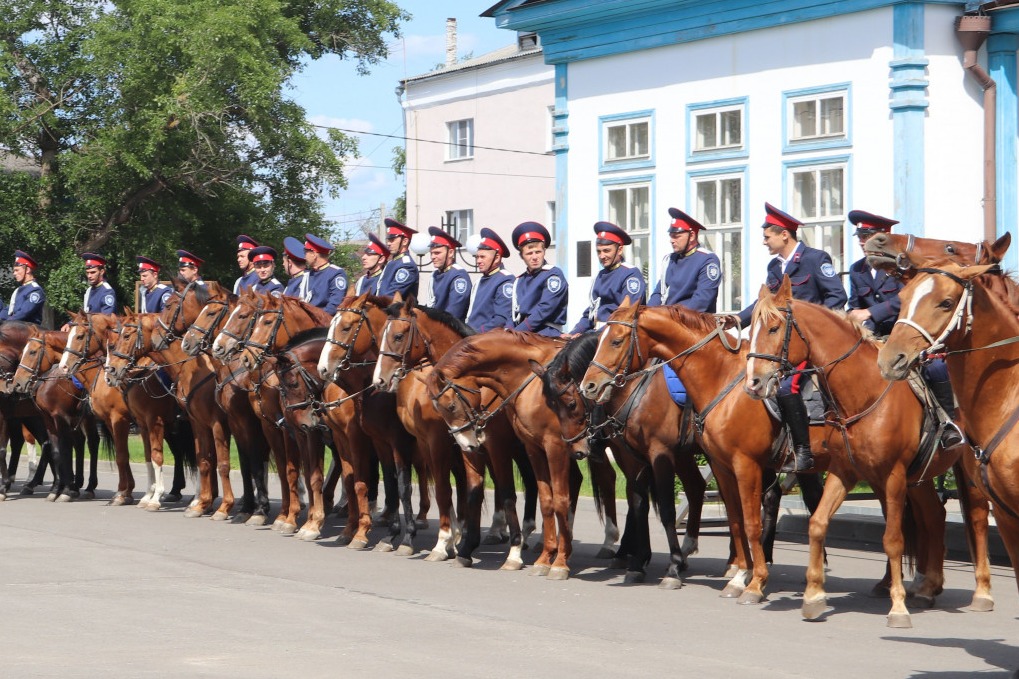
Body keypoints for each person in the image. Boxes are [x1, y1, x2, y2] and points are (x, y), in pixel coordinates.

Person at [738, 203, 848, 472]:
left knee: (787, 387)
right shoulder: (775, 267)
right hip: (783, 344)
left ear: (784, 234)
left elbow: (837, 297)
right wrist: (736, 320)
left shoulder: (815, 259)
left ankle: (803, 451)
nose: (764, 242)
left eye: (767, 237)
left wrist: (811, 321)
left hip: (810, 344)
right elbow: (767, 303)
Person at [846, 209, 963, 449]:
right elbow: (855, 305)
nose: (860, 240)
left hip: (910, 335)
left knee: (937, 368)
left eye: (866, 235)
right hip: (875, 338)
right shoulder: (857, 269)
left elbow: (912, 299)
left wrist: (872, 312)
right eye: (858, 235)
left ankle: (948, 424)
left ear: (883, 236)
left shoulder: (904, 266)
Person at [566, 221, 646, 337]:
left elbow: (626, 314)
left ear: (619, 250)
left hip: (618, 337)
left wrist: (589, 337)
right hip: (597, 334)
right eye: (599, 251)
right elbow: (591, 313)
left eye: (606, 251)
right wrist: (574, 332)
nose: (602, 256)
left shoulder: (631, 275)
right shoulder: (600, 276)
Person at [648, 208, 721, 312]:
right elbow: (659, 293)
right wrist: (648, 313)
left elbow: (701, 301)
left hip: (695, 323)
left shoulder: (707, 260)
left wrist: (669, 318)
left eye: (676, 236)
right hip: (668, 320)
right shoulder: (669, 260)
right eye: (671, 236)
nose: (671, 241)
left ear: (691, 236)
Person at [510, 221, 568, 336]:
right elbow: (512, 313)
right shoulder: (520, 280)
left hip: (546, 333)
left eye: (538, 252)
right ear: (522, 256)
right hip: (522, 333)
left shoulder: (553, 275)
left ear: (544, 252)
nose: (535, 257)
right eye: (529, 253)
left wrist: (515, 332)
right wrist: (506, 331)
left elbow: (544, 310)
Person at [466, 228, 514, 332]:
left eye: (483, 257)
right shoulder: (479, 281)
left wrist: (473, 334)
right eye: (477, 257)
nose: (478, 261)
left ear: (497, 258)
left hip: (486, 340)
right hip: (471, 337)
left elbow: (500, 320)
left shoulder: (506, 280)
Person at [426, 227, 472, 321]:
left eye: (437, 253)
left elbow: (453, 313)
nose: (432, 257)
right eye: (431, 253)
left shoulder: (459, 276)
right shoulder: (435, 275)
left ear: (451, 253)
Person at [299, 233, 347, 314]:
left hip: (325, 323)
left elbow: (335, 305)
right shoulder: (308, 275)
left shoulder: (336, 274)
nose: (304, 257)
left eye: (305, 252)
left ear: (314, 254)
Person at [377, 218, 419, 299]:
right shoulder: (393, 263)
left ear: (405, 241)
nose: (388, 243)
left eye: (392, 240)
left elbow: (392, 296)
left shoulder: (407, 265)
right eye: (388, 240)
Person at [0, 250, 45, 324]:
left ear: (27, 270)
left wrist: (6, 322)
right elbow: (9, 310)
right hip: (15, 327)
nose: (14, 274)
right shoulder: (18, 290)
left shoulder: (35, 290)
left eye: (17, 270)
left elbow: (24, 313)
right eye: (14, 271)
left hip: (30, 330)